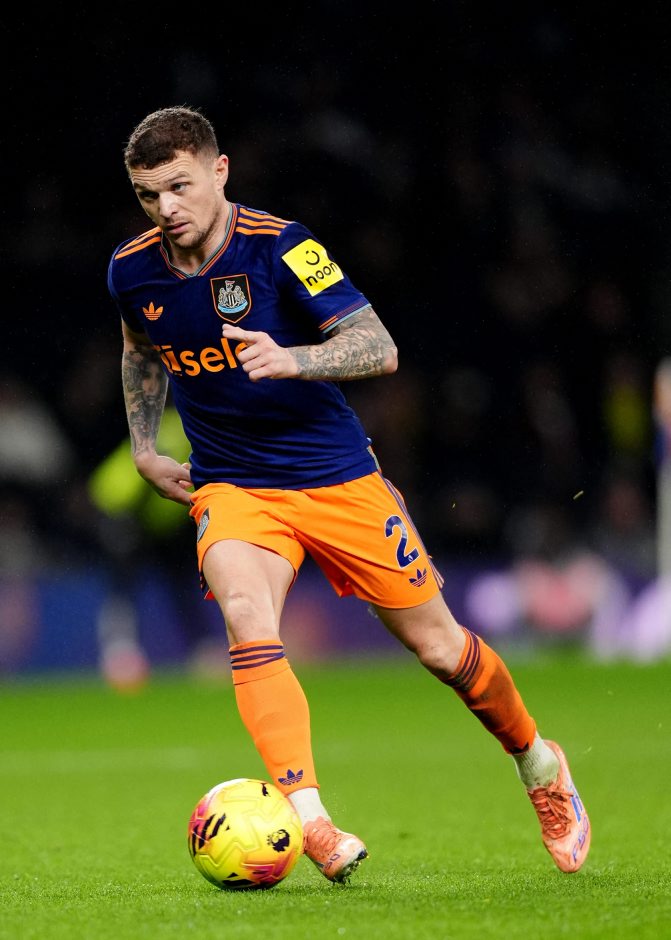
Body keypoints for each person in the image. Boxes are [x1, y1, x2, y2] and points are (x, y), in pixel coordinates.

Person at [108, 105, 591, 884]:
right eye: (146, 194)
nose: (165, 208)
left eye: (179, 186)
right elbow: (140, 349)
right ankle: (311, 820)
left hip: (336, 479)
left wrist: (292, 359)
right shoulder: (131, 269)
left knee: (441, 649)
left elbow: (377, 346)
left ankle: (538, 763)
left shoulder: (282, 246)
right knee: (245, 613)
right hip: (233, 484)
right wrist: (142, 447)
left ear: (219, 171)